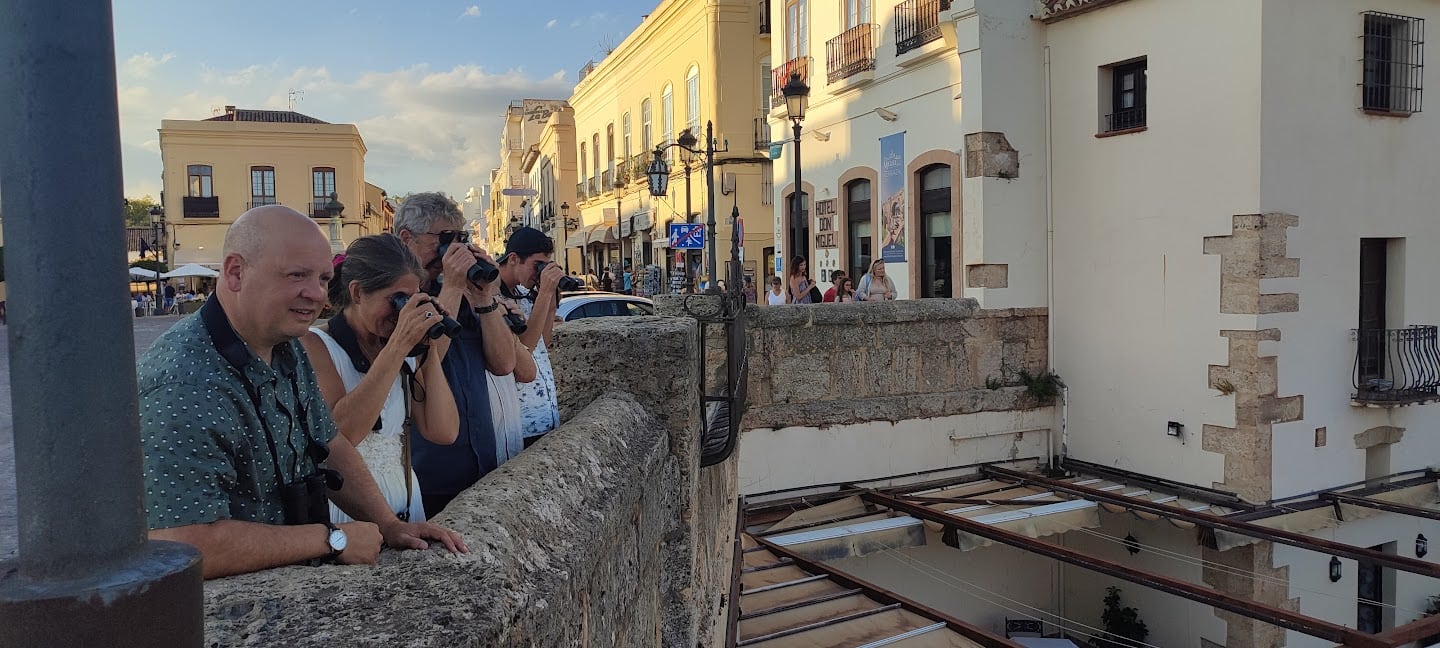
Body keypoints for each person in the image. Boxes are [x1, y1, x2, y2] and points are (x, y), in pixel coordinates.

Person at [139, 206, 466, 580]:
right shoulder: (185, 382)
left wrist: (390, 525)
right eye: (297, 275)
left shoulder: (284, 345)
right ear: (235, 273)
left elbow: (328, 444)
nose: (317, 295)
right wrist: (331, 540)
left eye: (324, 279)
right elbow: (183, 544)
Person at [300, 234, 460, 525]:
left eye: (410, 299)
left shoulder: (399, 347)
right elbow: (343, 434)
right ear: (358, 292)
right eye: (396, 299)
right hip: (348, 516)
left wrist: (429, 349)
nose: (402, 312)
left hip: (407, 506)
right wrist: (398, 346)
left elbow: (444, 431)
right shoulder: (315, 346)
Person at [394, 192, 517, 517]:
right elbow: (420, 362)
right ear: (408, 239)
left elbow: (505, 364)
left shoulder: (464, 292)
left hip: (483, 460)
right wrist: (451, 287)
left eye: (461, 239)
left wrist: (485, 297)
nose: (455, 250)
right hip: (429, 472)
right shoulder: (395, 298)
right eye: (445, 239)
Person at [497, 227, 565, 447]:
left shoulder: (522, 295)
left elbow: (541, 344)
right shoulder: (492, 299)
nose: (539, 273)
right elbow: (524, 348)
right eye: (537, 266)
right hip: (518, 423)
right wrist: (544, 293)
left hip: (544, 416)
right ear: (514, 259)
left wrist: (551, 304)